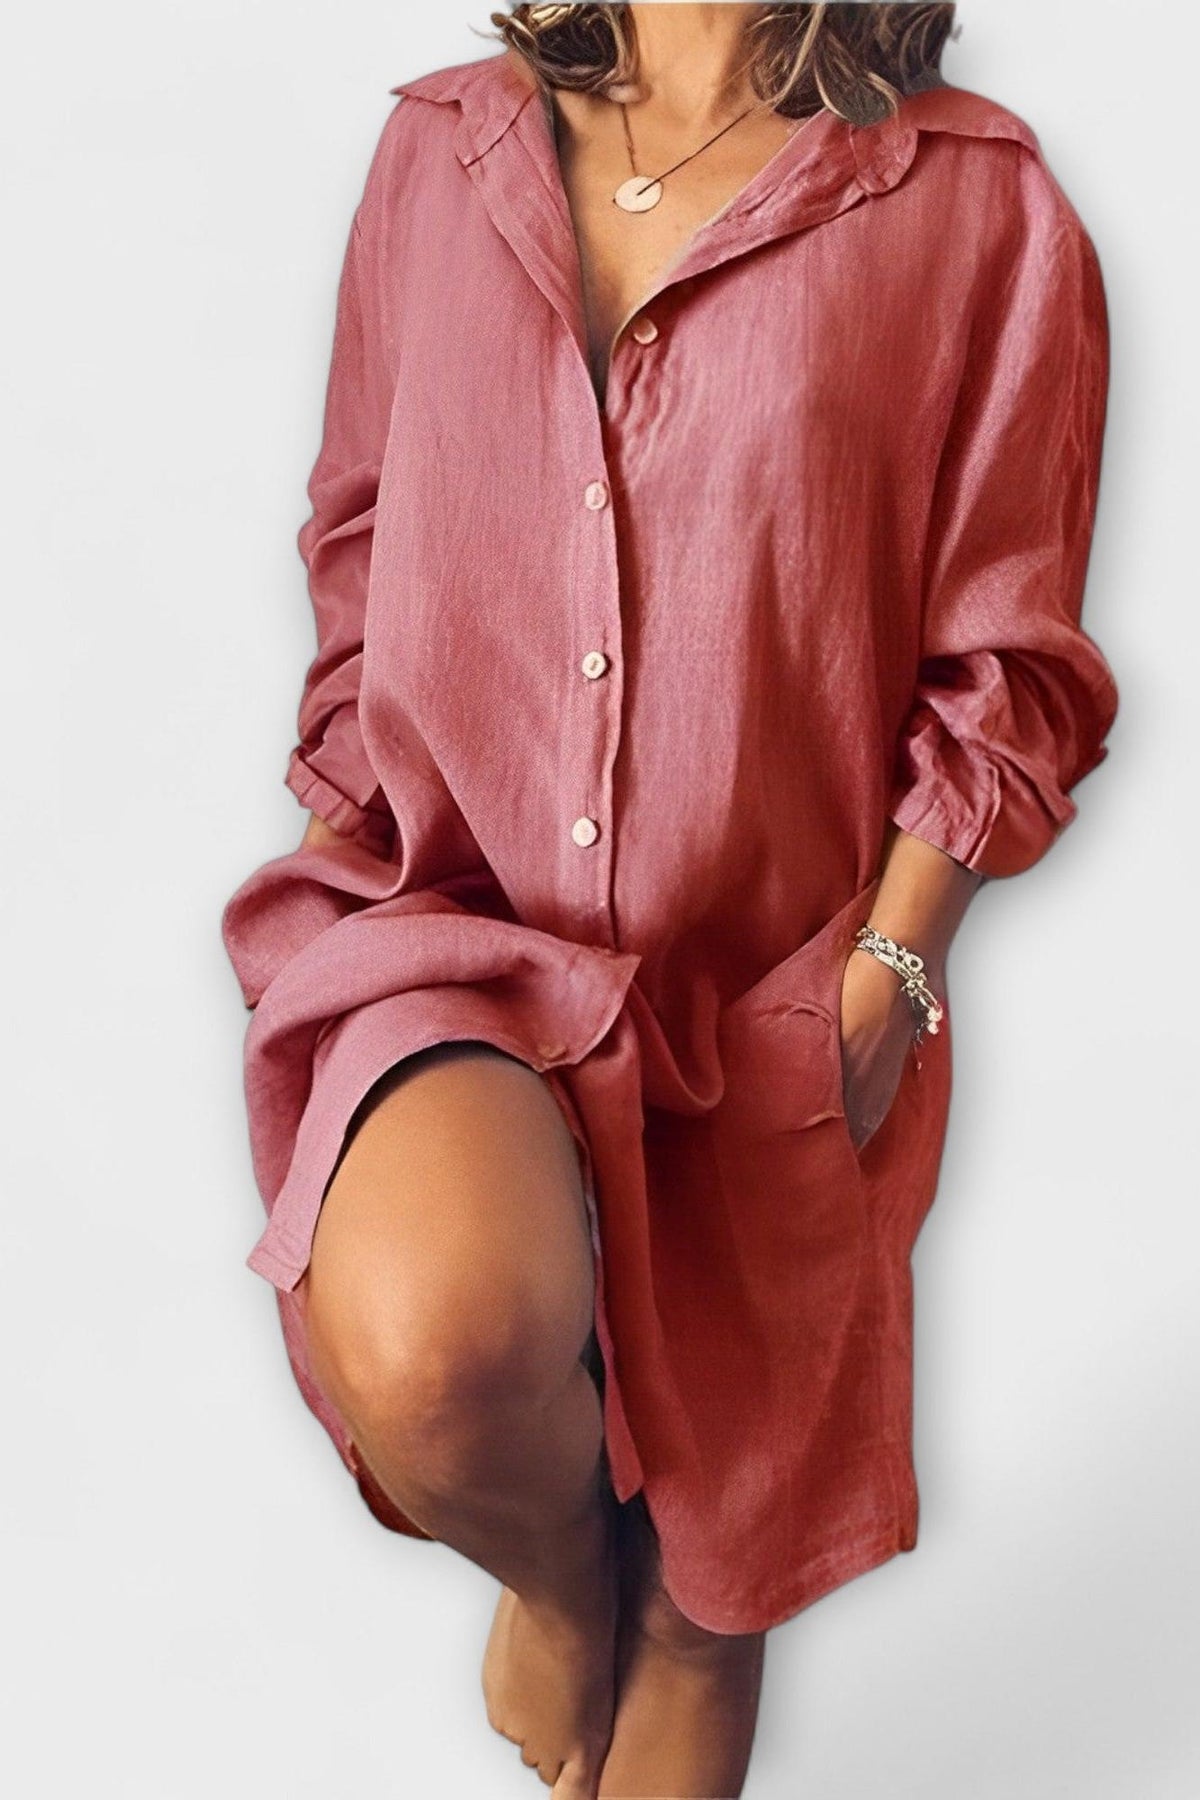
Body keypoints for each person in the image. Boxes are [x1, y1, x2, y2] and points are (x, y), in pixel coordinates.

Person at [219, 4, 1120, 1795]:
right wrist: (336, 822)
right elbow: (363, 534)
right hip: (457, 930)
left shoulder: (978, 205)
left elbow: (1009, 660)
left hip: (764, 1006)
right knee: (441, 1355)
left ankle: (670, 1602)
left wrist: (892, 964)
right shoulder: (444, 156)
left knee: (707, 1638)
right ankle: (569, 1579)